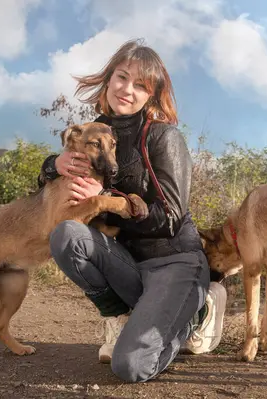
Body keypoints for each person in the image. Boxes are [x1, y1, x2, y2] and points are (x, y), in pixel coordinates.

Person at [38, 38, 227, 383]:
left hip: (173, 261)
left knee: (130, 366)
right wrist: (54, 164)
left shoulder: (163, 137)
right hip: (128, 264)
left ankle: (198, 312)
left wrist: (108, 197)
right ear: (109, 79)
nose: (127, 90)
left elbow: (169, 217)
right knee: (66, 234)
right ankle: (118, 314)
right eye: (122, 78)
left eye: (140, 85)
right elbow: (52, 193)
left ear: (151, 95)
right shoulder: (92, 133)